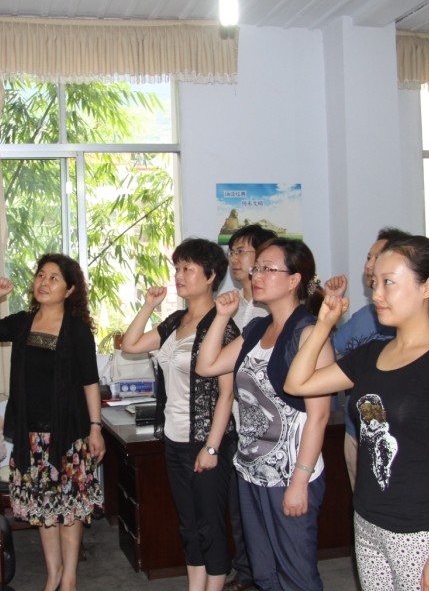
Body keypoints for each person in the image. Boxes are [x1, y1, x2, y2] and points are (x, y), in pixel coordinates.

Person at [285, 235, 429, 591]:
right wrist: (323, 324)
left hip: (420, 532)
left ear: (427, 287)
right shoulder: (371, 354)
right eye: (375, 283)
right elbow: (297, 384)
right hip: (368, 520)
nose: (376, 294)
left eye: (389, 282)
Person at [197, 238, 334, 591]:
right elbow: (207, 365)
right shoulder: (258, 329)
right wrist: (221, 317)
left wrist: (299, 482)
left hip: (290, 474)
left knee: (296, 575)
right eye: (256, 268)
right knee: (264, 574)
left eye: (268, 269)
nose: (256, 275)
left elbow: (319, 417)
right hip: (251, 472)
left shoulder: (309, 334)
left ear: (294, 280)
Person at [0, 254, 105, 591]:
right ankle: (53, 574)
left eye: (54, 278)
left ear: (69, 290)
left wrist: (96, 427)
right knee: (44, 508)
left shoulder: (77, 330)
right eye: (41, 275)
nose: (44, 282)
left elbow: (90, 382)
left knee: (69, 508)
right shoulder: (23, 323)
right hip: (32, 437)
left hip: (70, 434)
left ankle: (69, 580)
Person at [120, 238, 239, 591]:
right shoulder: (175, 320)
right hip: (174, 437)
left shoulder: (223, 324)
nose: (179, 275)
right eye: (177, 268)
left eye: (188, 268)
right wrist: (148, 306)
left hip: (207, 440)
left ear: (211, 275)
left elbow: (227, 393)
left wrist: (212, 447)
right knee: (188, 523)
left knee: (210, 524)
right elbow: (130, 345)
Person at [325, 226, 411, 490]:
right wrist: (329, 314)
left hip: (395, 436)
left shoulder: (409, 324)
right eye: (368, 258)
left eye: (377, 258)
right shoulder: (363, 317)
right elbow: (327, 357)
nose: (369, 266)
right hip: (356, 431)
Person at [225, 223, 277, 591]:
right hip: (233, 423)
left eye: (242, 251)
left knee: (264, 513)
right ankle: (246, 574)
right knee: (239, 510)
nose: (235, 259)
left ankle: (260, 577)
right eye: (232, 252)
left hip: (264, 429)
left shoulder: (267, 311)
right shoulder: (234, 306)